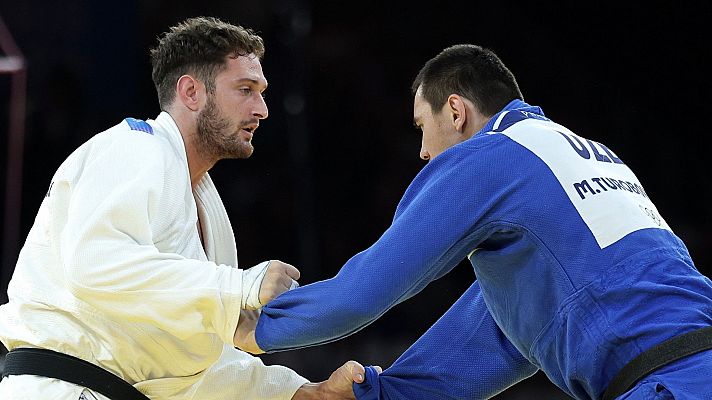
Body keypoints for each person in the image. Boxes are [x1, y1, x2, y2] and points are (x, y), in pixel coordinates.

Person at [238, 44, 712, 399]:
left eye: (422, 126)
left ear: (457, 111)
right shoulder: (587, 157)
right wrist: (378, 393)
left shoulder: (494, 155)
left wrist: (251, 326)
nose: (423, 152)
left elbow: (364, 290)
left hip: (667, 383)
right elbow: (491, 342)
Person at [0, 16, 367, 400]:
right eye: (245, 89)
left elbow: (191, 365)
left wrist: (301, 392)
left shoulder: (205, 201)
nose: (262, 109)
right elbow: (94, 264)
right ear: (191, 92)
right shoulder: (135, 147)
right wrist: (237, 287)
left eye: (261, 92)